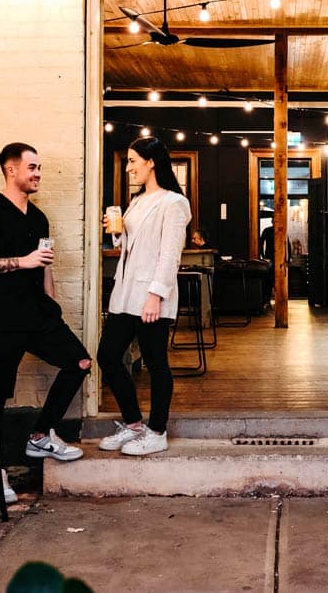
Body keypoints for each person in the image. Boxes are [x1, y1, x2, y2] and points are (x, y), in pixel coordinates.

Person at [0, 143, 90, 504]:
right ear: (11, 170)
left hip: (38, 316)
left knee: (79, 361)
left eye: (39, 168)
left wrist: (53, 307)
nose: (37, 174)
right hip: (1, 321)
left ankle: (39, 435)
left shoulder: (38, 218)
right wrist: (22, 261)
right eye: (32, 167)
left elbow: (45, 264)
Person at [96, 136, 192, 456]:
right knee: (108, 356)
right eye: (127, 162)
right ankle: (135, 424)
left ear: (151, 162)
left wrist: (156, 295)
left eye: (133, 161)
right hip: (125, 294)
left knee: (155, 363)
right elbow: (128, 248)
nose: (128, 168)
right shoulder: (136, 201)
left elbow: (169, 255)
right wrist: (117, 230)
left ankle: (158, 431)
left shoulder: (174, 203)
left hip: (151, 296)